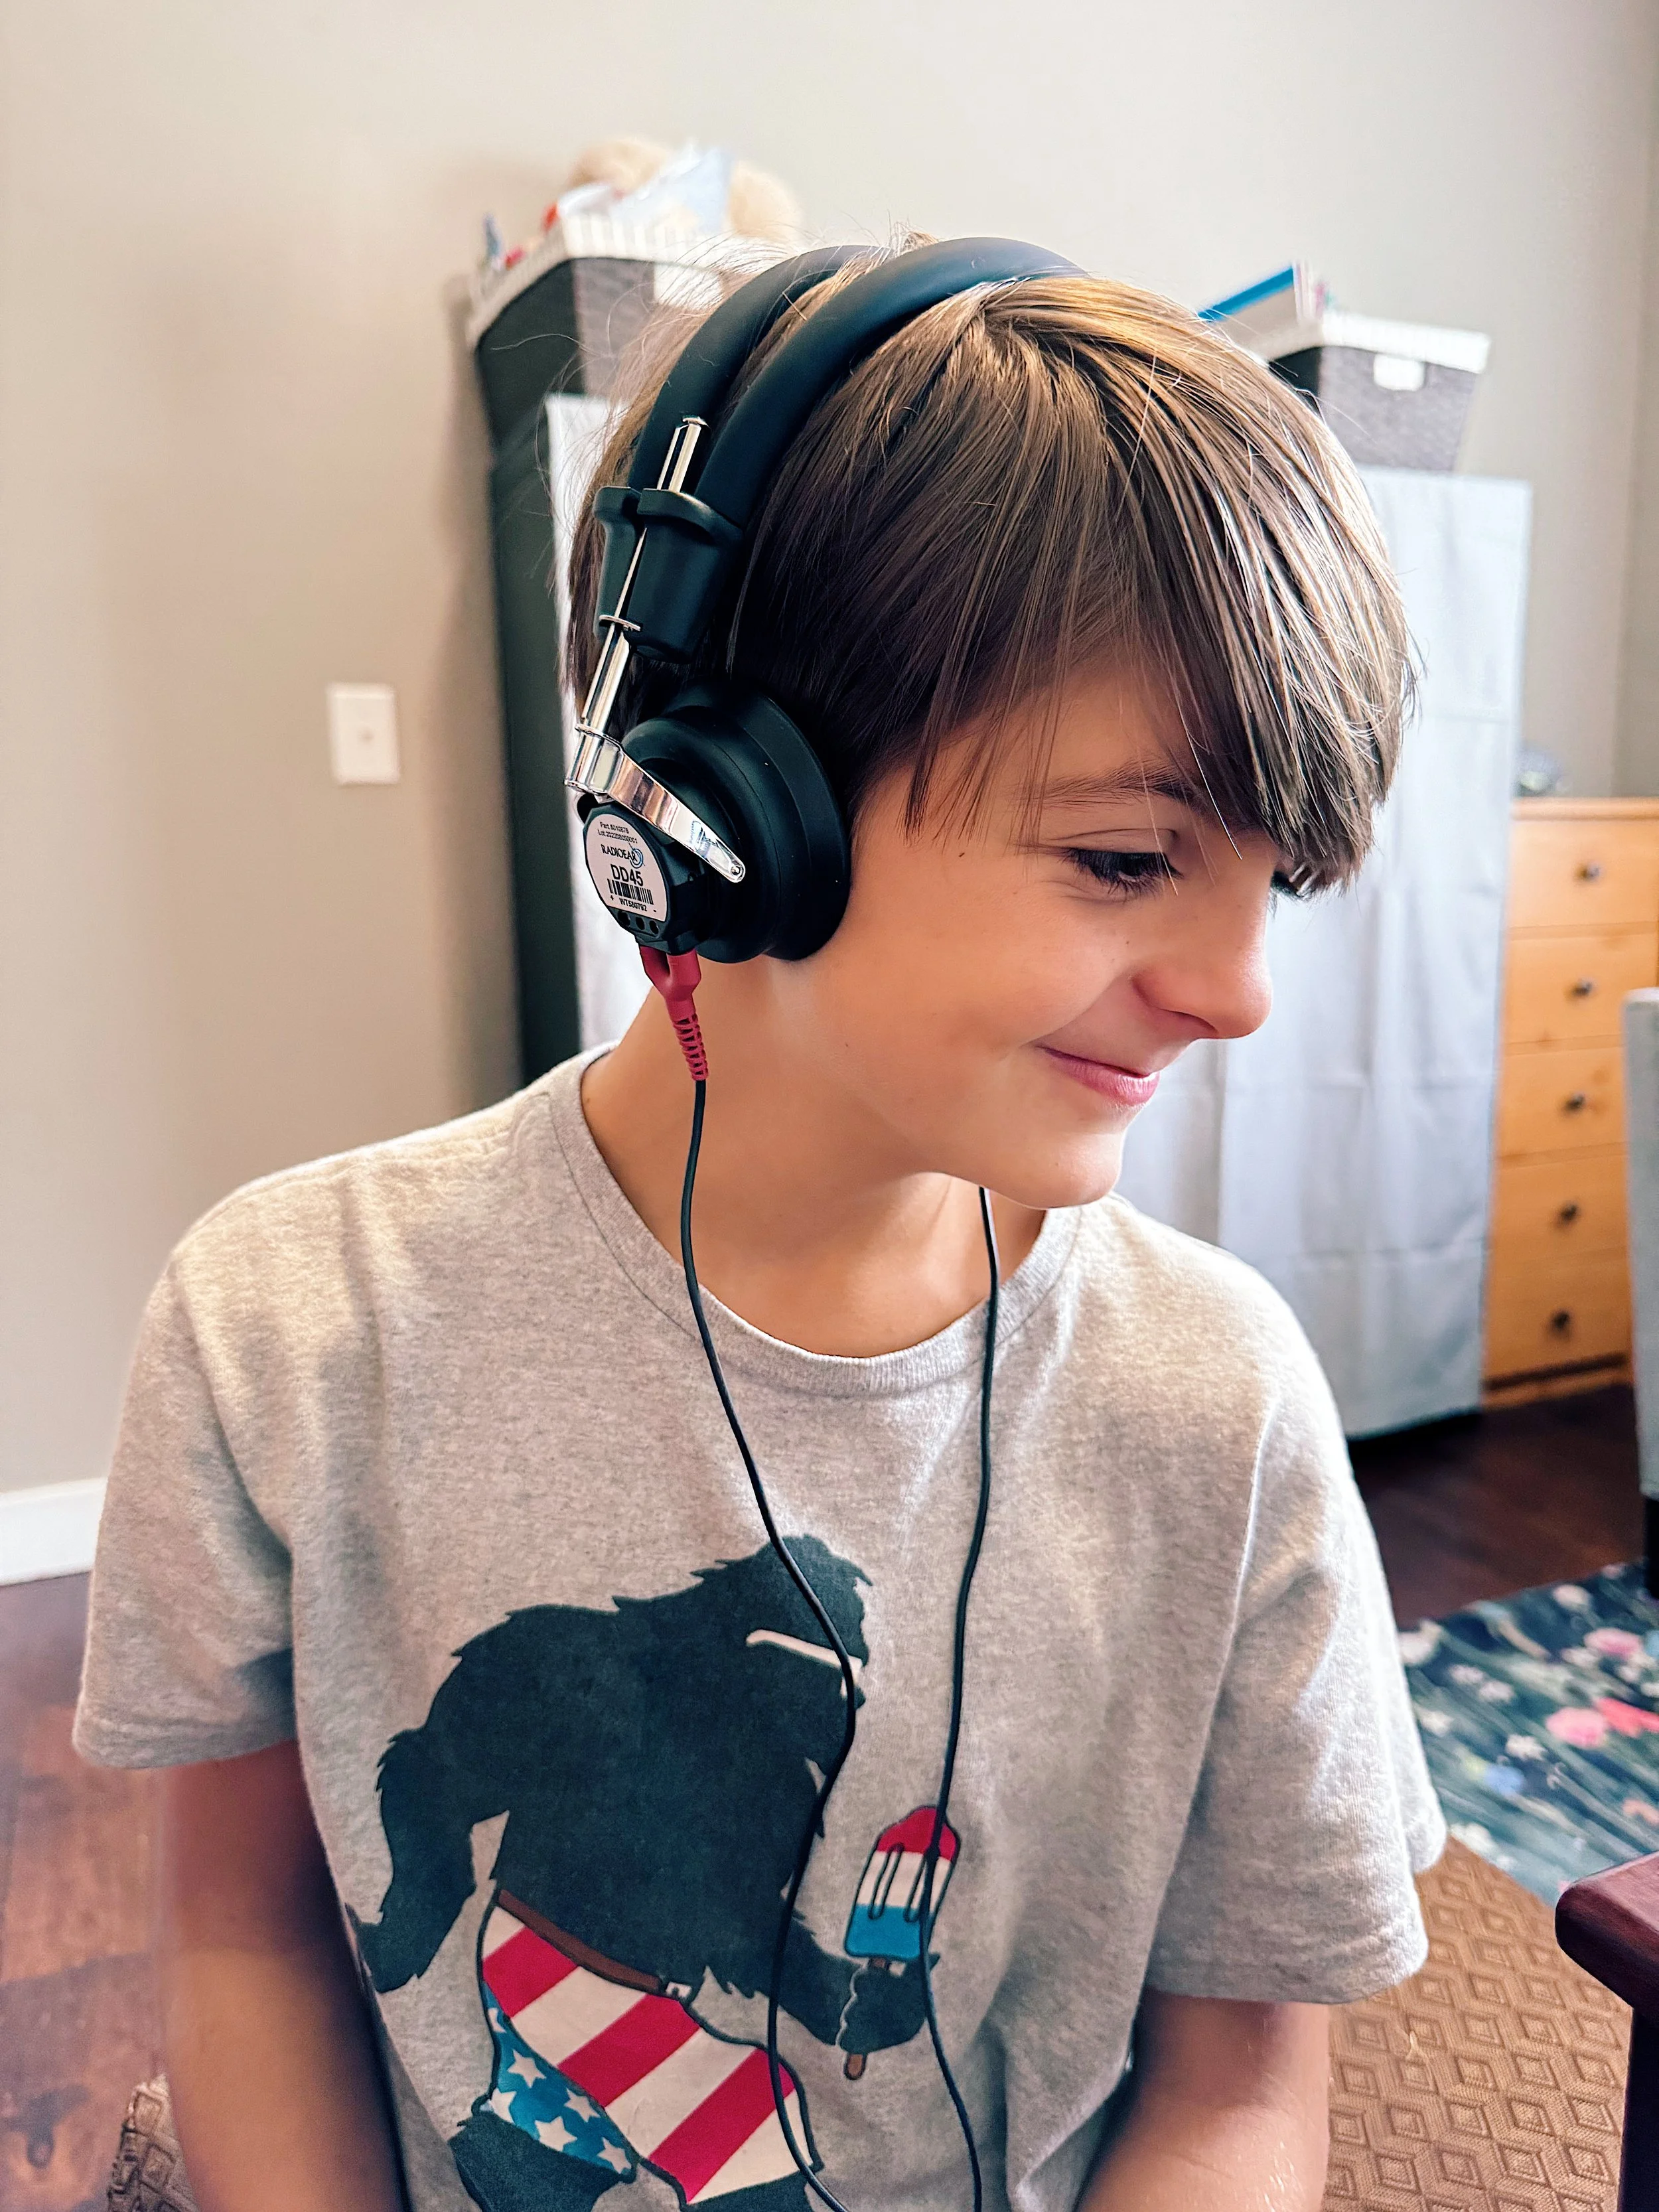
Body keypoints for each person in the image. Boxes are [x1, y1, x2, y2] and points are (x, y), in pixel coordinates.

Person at [76, 240, 1443, 2212]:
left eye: (1276, 883)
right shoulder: (286, 1332)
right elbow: (248, 1943)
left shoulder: (1216, 1406)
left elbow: (1238, 2090)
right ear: (716, 808)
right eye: (1128, 859)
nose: (1238, 990)